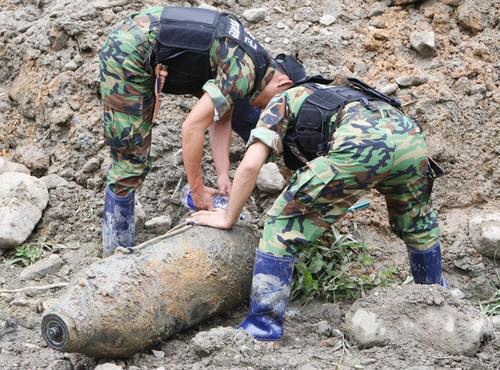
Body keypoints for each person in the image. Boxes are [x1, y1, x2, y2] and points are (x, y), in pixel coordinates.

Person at [189, 78, 447, 341]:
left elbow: (251, 165)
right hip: (410, 137)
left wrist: (228, 216)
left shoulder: (284, 100)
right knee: (416, 223)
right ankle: (436, 299)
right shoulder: (339, 94)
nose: (256, 102)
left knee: (282, 223)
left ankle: (263, 327)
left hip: (360, 143)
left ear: (283, 82)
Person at [98, 6, 300, 256]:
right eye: (280, 102)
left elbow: (221, 118)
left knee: (135, 155)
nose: (274, 111)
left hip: (146, 38)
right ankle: (115, 252)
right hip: (129, 51)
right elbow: (192, 126)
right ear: (283, 82)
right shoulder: (245, 72)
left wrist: (223, 176)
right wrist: (198, 189)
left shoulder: (253, 61)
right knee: (130, 158)